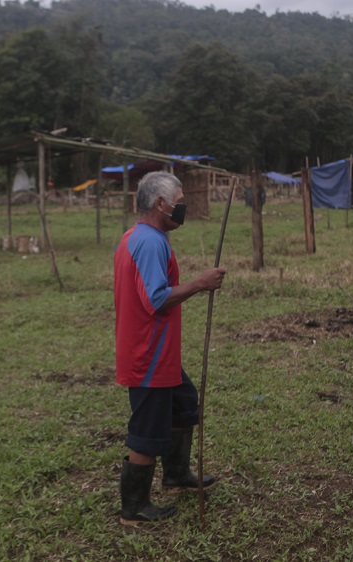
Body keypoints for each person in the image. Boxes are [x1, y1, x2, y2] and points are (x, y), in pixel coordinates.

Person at [113, 171, 226, 525]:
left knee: (183, 401)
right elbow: (157, 299)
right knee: (147, 431)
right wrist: (200, 283)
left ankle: (176, 475)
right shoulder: (149, 242)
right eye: (179, 203)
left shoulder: (143, 237)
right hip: (147, 356)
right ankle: (133, 508)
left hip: (159, 354)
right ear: (160, 205)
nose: (182, 209)